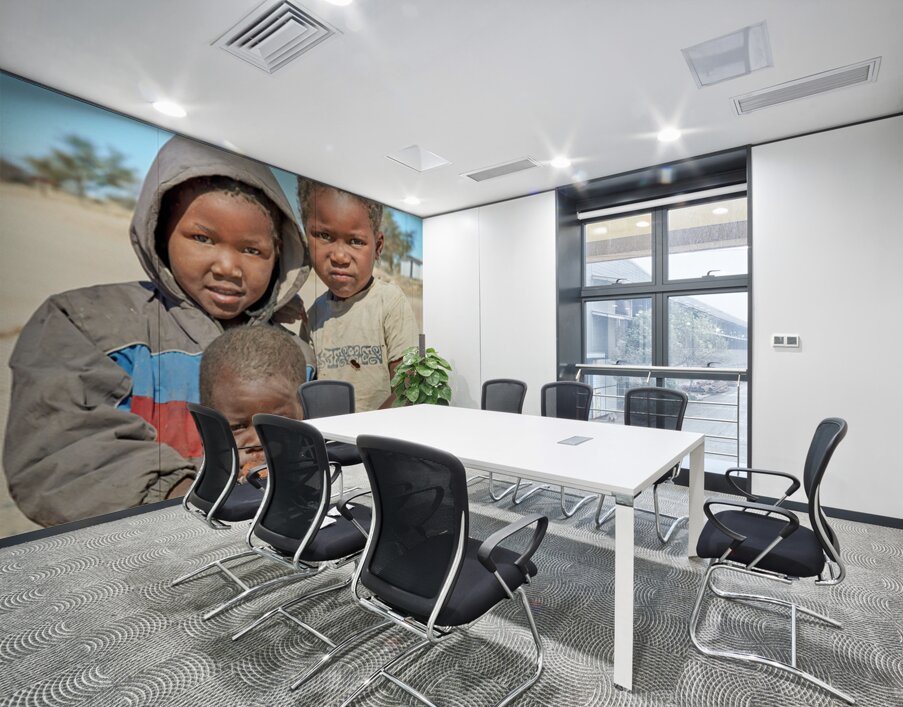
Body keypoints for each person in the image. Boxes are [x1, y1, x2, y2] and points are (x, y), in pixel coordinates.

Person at [4, 136, 311, 527]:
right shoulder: (85, 322)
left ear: (278, 253)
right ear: (161, 233)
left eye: (252, 250)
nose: (228, 266)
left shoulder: (291, 343)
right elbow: (61, 453)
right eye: (202, 238)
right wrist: (192, 495)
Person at [298, 178, 418, 412]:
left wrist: (364, 435)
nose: (340, 257)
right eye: (324, 236)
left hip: (377, 442)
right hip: (329, 439)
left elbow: (408, 389)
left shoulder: (389, 302)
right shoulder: (314, 315)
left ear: (378, 246)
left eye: (355, 241)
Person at [199, 325, 306, 483]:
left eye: (276, 423)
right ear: (205, 430)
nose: (258, 441)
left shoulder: (329, 486)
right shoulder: (201, 496)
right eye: (237, 427)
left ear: (304, 414)